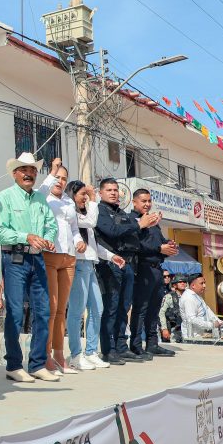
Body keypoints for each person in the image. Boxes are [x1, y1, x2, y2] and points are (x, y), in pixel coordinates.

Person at [0, 152, 59, 383]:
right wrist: (26, 236)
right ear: (14, 174)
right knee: (16, 312)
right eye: (24, 170)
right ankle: (13, 364)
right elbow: (0, 232)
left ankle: (37, 363)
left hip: (38, 259)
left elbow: (51, 225)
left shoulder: (40, 199)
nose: (29, 174)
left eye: (32, 170)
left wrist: (48, 239)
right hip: (15, 258)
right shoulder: (5, 197)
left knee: (43, 312)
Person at [95, 178, 156, 364]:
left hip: (128, 264)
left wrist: (144, 226)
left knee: (124, 307)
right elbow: (112, 231)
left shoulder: (121, 212)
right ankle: (108, 350)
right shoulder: (99, 211)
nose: (113, 193)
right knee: (111, 307)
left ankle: (121, 346)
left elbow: (131, 237)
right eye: (109, 190)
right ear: (100, 193)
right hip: (110, 264)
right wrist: (138, 225)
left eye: (115, 190)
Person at [65, 180, 122, 371]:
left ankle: (91, 351)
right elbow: (92, 220)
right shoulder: (73, 215)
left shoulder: (85, 215)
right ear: (72, 195)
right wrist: (94, 198)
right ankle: (75, 354)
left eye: (86, 195)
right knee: (77, 311)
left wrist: (112, 256)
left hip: (90, 265)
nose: (85, 198)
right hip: (78, 265)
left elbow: (93, 246)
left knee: (97, 309)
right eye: (82, 194)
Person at [39, 158, 80, 374]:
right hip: (50, 254)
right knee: (51, 308)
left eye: (64, 178)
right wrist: (52, 172)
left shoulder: (69, 201)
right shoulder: (43, 196)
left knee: (62, 309)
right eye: (57, 177)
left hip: (69, 257)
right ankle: (45, 355)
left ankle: (59, 354)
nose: (60, 181)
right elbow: (41, 189)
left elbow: (74, 228)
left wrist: (79, 240)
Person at [129, 189, 178, 359]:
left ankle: (152, 344)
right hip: (143, 269)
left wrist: (169, 246)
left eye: (149, 201)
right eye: (143, 201)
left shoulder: (154, 222)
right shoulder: (133, 221)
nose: (147, 204)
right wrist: (159, 248)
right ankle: (135, 345)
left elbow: (159, 242)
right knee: (140, 309)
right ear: (134, 202)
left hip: (157, 269)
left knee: (154, 309)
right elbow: (136, 246)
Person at [180, 275, 223, 340]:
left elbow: (207, 310)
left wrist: (220, 322)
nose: (204, 286)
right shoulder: (188, 298)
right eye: (201, 283)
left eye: (204, 283)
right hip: (192, 338)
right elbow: (191, 319)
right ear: (193, 285)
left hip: (201, 335)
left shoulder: (197, 296)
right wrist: (211, 325)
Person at [159, 275, 187, 343]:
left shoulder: (189, 296)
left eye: (184, 281)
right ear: (174, 285)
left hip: (186, 329)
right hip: (174, 330)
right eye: (180, 282)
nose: (183, 283)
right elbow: (161, 313)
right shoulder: (169, 297)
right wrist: (164, 329)